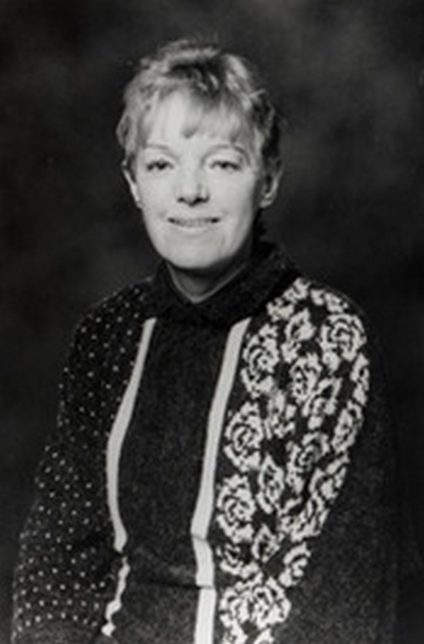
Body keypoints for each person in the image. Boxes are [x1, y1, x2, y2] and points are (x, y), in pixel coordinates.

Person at [10, 37, 414, 644]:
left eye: (222, 163)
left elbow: (342, 601)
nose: (189, 191)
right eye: (161, 164)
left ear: (268, 178)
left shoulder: (327, 338)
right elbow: (60, 564)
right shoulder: (108, 338)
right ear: (133, 184)